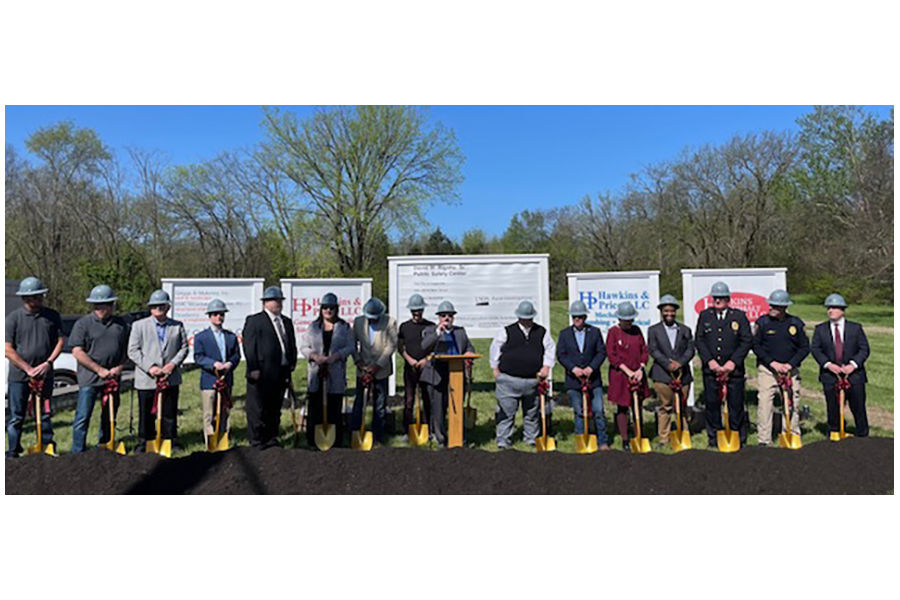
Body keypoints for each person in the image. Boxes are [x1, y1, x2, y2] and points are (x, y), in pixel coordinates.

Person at [4, 277, 64, 458]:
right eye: (33, 297)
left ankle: (47, 446)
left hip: (45, 374)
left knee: (45, 412)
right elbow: (7, 349)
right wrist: (27, 369)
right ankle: (13, 450)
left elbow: (60, 341)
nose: (37, 300)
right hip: (19, 377)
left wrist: (48, 363)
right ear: (24, 298)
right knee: (17, 416)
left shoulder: (52, 316)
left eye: (39, 296)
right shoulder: (13, 318)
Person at [70, 285, 130, 453]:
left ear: (112, 305)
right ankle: (77, 451)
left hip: (112, 377)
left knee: (109, 415)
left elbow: (127, 350)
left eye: (105, 304)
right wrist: (99, 370)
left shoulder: (121, 325)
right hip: (89, 378)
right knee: (83, 416)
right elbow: (77, 351)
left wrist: (119, 366)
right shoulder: (83, 324)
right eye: (97, 305)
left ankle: (105, 446)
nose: (101, 308)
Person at [127, 289, 189, 452]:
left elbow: (184, 348)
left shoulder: (177, 326)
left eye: (162, 305)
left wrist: (172, 365)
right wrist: (151, 367)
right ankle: (145, 442)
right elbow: (133, 350)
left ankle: (170, 441)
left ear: (168, 307)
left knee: (169, 412)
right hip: (147, 378)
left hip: (170, 376)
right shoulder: (139, 326)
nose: (158, 308)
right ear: (150, 308)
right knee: (146, 413)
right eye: (155, 306)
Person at [489, 300, 556, 449]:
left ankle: (531, 439)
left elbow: (550, 349)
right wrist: (495, 370)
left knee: (532, 413)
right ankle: (503, 440)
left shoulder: (541, 332)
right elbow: (495, 348)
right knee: (506, 412)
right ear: (518, 317)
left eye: (529, 318)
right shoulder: (506, 331)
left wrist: (546, 367)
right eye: (524, 318)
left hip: (532, 381)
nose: (526, 321)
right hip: (508, 380)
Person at [694, 281, 753, 449]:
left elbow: (746, 340)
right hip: (711, 370)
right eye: (715, 298)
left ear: (728, 299)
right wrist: (710, 361)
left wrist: (732, 362)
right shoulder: (705, 315)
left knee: (736, 404)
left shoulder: (739, 316)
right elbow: (699, 340)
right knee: (712, 404)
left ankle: (737, 436)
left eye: (721, 298)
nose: (718, 301)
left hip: (734, 370)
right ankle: (713, 437)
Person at [242, 286, 298, 449]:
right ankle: (257, 440)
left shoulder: (286, 321)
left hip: (280, 372)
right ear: (266, 303)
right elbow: (249, 346)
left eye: (280, 300)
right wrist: (253, 367)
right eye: (275, 300)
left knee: (275, 407)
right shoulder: (255, 320)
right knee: (258, 408)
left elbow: (290, 344)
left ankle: (271, 437)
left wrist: (291, 362)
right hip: (261, 372)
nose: (279, 303)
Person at [753, 290, 809, 446]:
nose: (771, 308)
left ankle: (791, 434)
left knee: (792, 402)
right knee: (765, 404)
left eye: (775, 306)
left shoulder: (796, 324)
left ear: (784, 307)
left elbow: (804, 348)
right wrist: (773, 363)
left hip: (790, 370)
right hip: (768, 370)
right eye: (770, 305)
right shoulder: (762, 323)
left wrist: (790, 364)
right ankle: (764, 439)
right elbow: (756, 346)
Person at [811, 293, 870, 438]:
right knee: (833, 407)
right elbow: (816, 349)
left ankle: (863, 436)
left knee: (858, 407)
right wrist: (828, 364)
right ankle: (834, 434)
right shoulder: (820, 329)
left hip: (854, 376)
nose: (830, 310)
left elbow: (864, 349)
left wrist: (853, 365)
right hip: (830, 376)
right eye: (828, 308)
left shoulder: (855, 328)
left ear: (842, 310)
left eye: (834, 308)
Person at [300, 293, 354, 448]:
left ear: (336, 309)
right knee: (315, 407)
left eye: (331, 308)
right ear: (321, 309)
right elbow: (303, 347)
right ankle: (313, 440)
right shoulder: (313, 327)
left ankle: (335, 441)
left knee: (334, 407)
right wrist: (314, 356)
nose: (328, 310)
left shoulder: (344, 327)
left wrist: (336, 356)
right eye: (325, 307)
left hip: (335, 373)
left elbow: (350, 347)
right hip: (317, 373)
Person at [421, 301, 475, 445]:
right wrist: (439, 332)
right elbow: (424, 346)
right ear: (438, 317)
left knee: (456, 407)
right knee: (438, 408)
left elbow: (469, 347)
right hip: (437, 374)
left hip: (456, 374)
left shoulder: (460, 332)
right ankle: (439, 437)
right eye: (443, 315)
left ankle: (458, 437)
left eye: (450, 315)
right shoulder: (431, 330)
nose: (447, 318)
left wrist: (469, 353)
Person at [556, 300, 608, 449]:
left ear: (585, 317)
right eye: (574, 317)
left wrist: (591, 368)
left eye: (580, 316)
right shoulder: (564, 334)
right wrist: (573, 369)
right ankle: (581, 440)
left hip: (594, 379)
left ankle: (602, 441)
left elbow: (601, 352)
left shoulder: (595, 332)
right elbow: (561, 355)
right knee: (579, 412)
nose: (577, 319)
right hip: (574, 380)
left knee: (598, 411)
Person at [647, 294, 695, 447]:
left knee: (681, 406)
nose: (669, 313)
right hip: (662, 375)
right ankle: (664, 438)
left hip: (683, 375)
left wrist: (680, 363)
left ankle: (683, 434)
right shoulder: (653, 330)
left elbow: (690, 349)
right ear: (661, 311)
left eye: (672, 310)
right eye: (666, 310)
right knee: (665, 407)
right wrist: (667, 364)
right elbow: (653, 350)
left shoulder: (685, 330)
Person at [193, 299, 242, 446]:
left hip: (226, 379)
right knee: (209, 413)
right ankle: (210, 439)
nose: (218, 317)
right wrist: (213, 364)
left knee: (225, 411)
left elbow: (236, 355)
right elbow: (198, 357)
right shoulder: (201, 337)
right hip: (209, 380)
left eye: (221, 314)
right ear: (209, 316)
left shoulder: (231, 337)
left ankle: (223, 437)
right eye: (215, 314)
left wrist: (229, 364)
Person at [351, 297, 398, 444]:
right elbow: (352, 343)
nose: (372, 320)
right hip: (363, 369)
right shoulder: (358, 322)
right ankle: (356, 432)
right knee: (359, 402)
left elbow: (391, 346)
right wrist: (358, 361)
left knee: (380, 404)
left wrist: (377, 366)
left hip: (381, 370)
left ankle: (378, 435)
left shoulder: (390, 322)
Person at [605, 301, 650, 450]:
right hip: (621, 376)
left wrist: (640, 369)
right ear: (619, 319)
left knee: (638, 405)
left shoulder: (637, 331)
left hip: (638, 374)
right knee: (623, 407)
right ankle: (625, 439)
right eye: (626, 320)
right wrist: (628, 371)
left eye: (631, 320)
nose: (629, 323)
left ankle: (639, 435)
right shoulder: (613, 332)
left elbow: (644, 351)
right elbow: (612, 355)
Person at [397, 294, 435, 443]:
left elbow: (434, 347)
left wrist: (425, 360)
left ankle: (427, 429)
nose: (417, 313)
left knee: (427, 399)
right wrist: (411, 361)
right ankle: (407, 430)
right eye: (414, 311)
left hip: (426, 368)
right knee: (409, 400)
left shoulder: (430, 326)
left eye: (419, 310)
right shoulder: (404, 327)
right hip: (410, 368)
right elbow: (400, 347)